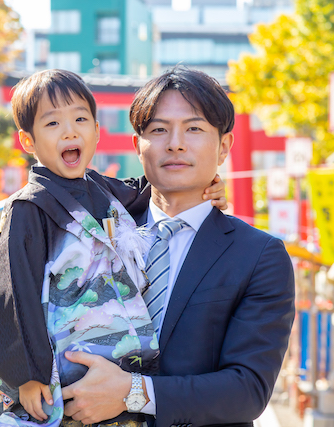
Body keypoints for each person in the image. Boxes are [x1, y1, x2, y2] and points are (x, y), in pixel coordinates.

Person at [0, 69, 227, 427]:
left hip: (120, 372)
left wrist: (207, 183)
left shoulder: (103, 190)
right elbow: (14, 292)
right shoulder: (29, 207)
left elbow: (152, 188)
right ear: (27, 141)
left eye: (81, 119)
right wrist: (25, 375)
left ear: (97, 131)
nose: (70, 131)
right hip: (63, 370)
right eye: (52, 124)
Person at [60, 66, 295, 427]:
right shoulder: (94, 233)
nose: (175, 143)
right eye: (158, 129)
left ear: (224, 147)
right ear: (137, 146)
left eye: (194, 128)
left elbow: (247, 390)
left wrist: (132, 392)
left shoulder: (258, 256)